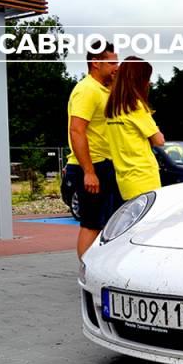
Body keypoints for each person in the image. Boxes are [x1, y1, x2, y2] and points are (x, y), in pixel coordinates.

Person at [66, 41, 119, 260]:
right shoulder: (87, 90)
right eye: (112, 63)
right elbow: (76, 130)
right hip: (91, 166)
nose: (117, 67)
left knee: (109, 223)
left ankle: (102, 268)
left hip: (106, 165)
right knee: (91, 224)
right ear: (96, 63)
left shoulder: (104, 89)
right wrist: (89, 171)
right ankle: (86, 271)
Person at [104, 57, 165, 201]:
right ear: (139, 80)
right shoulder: (135, 107)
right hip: (144, 177)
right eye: (147, 78)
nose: (149, 83)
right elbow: (159, 140)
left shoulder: (112, 109)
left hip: (125, 180)